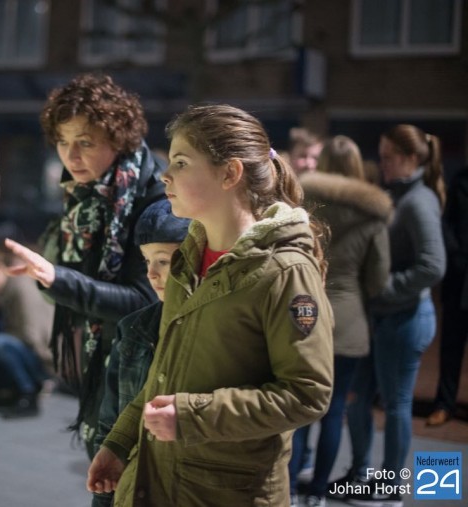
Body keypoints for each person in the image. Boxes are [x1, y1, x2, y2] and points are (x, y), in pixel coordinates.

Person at [86, 104, 334, 506]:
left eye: (182, 162)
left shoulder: (284, 271)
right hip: (161, 482)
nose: (166, 175)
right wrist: (119, 442)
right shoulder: (187, 258)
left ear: (229, 173)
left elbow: (307, 394)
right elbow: (163, 374)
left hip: (227, 492)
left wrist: (191, 416)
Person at [4, 72, 166, 458]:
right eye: (62, 142)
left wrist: (59, 279)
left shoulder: (155, 200)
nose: (70, 156)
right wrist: (52, 276)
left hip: (144, 369)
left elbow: (146, 302)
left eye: (85, 142)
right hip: (105, 357)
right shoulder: (86, 194)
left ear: (117, 138)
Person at [333, 125, 446, 506]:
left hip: (405, 319)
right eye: (380, 156)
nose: (381, 164)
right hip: (383, 319)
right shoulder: (400, 195)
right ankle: (360, 475)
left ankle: (392, 487)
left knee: (396, 405)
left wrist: (385, 288)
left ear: (412, 159)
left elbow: (433, 265)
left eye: (389, 157)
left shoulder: (417, 201)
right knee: (358, 397)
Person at [288, 135, 392, 507]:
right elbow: (378, 280)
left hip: (302, 314)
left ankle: (289, 488)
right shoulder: (373, 214)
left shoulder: (302, 203)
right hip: (349, 322)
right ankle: (318, 492)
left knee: (299, 408)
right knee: (333, 412)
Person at [92, 199, 190, 507]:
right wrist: (103, 496)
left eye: (163, 260)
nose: (151, 273)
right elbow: (111, 419)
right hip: (135, 480)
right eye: (147, 260)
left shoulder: (213, 327)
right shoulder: (133, 328)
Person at [0, 247, 55, 418]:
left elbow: (33, 333)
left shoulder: (20, 289)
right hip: (34, 351)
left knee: (0, 343)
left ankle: (28, 392)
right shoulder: (9, 290)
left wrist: (48, 367)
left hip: (43, 357)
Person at [428, 164, 468, 426]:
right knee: (451, 346)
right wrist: (456, 257)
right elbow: (447, 224)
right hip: (460, 279)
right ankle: (444, 403)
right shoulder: (461, 180)